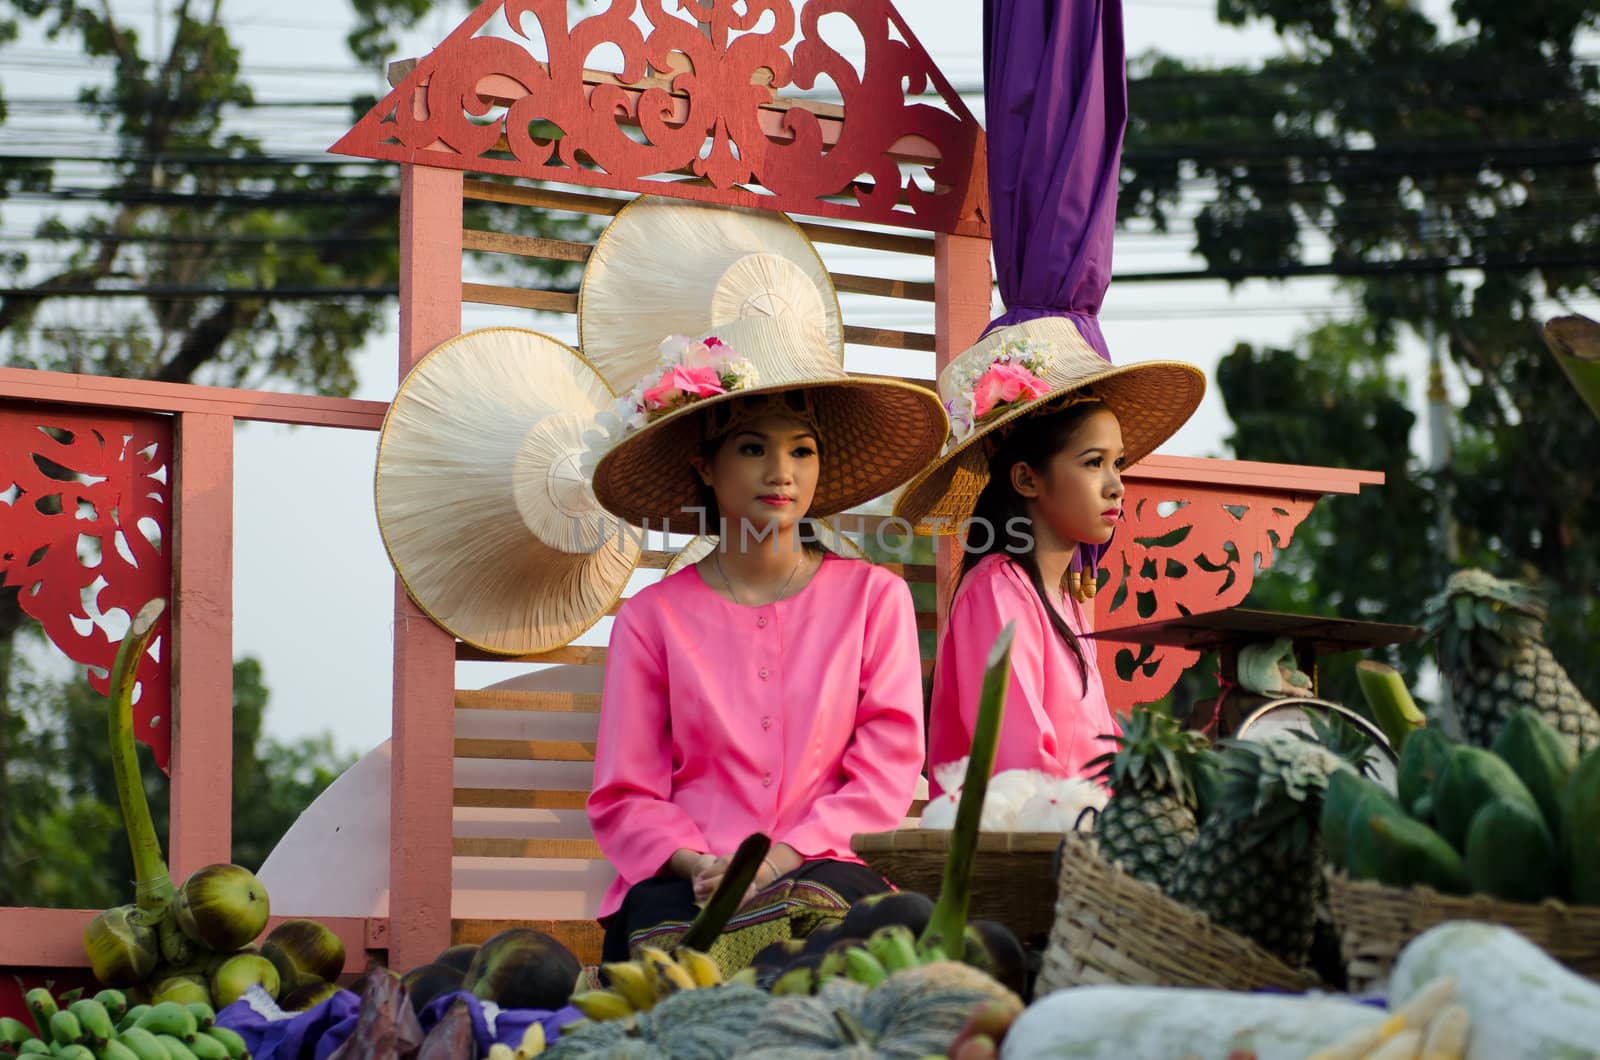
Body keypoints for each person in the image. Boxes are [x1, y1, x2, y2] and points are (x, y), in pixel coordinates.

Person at [583, 313, 949, 967]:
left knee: (887, 922)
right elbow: (626, 793)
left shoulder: (876, 600)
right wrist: (704, 867)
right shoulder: (650, 619)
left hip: (829, 865)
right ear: (706, 466)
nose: (781, 471)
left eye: (801, 450)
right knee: (654, 931)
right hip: (689, 881)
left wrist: (772, 863)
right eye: (753, 448)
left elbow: (886, 773)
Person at [892, 319, 1204, 795]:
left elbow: (1102, 756)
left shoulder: (1062, 601)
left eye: (1117, 463)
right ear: (1026, 480)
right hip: (1022, 850)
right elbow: (1017, 762)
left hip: (1076, 839)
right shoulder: (996, 592)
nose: (1116, 484)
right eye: (1092, 462)